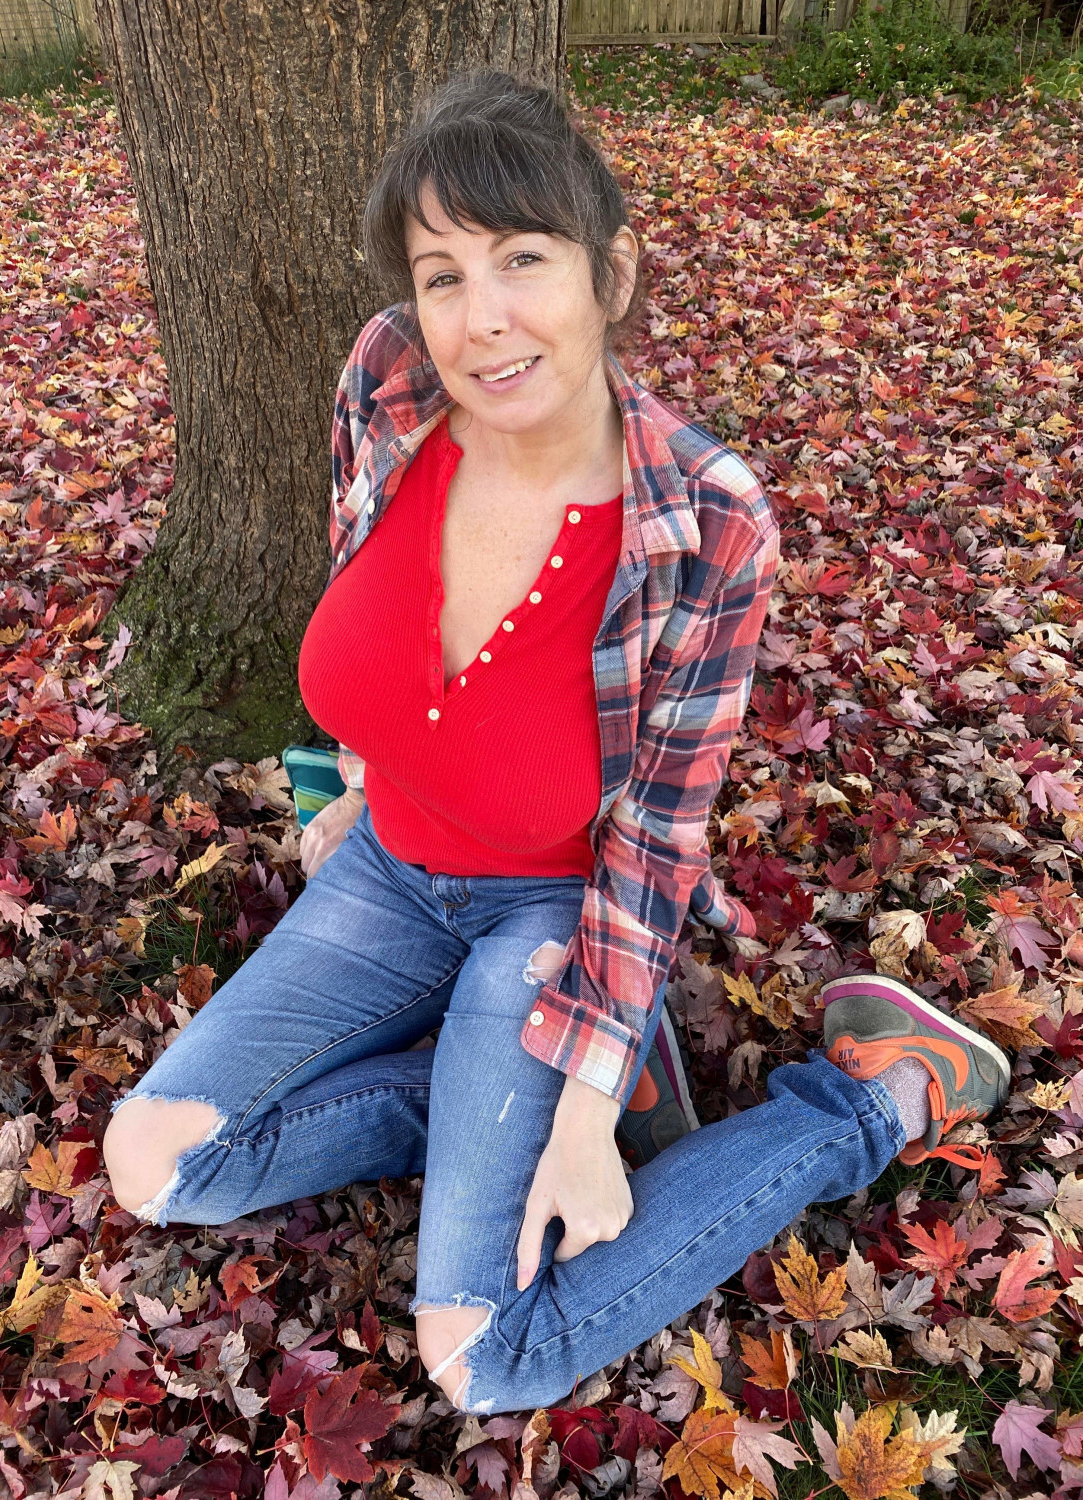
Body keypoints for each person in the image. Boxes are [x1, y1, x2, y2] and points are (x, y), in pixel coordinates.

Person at [102, 68, 1012, 1416]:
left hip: (556, 914)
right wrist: (356, 778)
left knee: (485, 1357)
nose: (483, 317)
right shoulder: (389, 380)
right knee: (158, 1162)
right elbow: (367, 599)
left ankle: (869, 1100)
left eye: (523, 258)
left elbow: (656, 838)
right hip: (387, 877)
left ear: (609, 273)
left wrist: (581, 1119)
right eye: (443, 274)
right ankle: (485, 1086)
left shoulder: (703, 517)